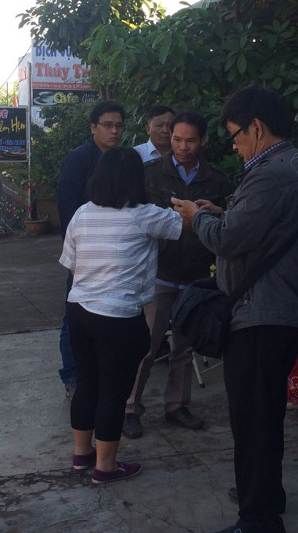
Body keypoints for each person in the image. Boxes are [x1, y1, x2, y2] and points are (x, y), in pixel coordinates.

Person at [171, 85, 298, 533]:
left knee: (253, 419)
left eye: (235, 135)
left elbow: (229, 239)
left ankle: (258, 520)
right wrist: (220, 210)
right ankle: (264, 494)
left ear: (256, 127)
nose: (233, 145)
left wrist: (198, 218)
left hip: (261, 313)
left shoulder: (272, 174)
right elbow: (254, 227)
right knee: (263, 414)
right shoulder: (292, 166)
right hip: (275, 309)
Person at [61, 147, 186, 484]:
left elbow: (72, 265)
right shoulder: (144, 215)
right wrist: (199, 209)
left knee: (87, 384)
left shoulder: (82, 214)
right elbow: (184, 224)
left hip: (79, 311)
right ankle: (106, 467)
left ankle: (81, 453)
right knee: (114, 392)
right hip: (118, 317)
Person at [123, 111, 233, 438]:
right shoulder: (149, 174)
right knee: (147, 344)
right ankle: (130, 407)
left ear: (203, 141)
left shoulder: (217, 180)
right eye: (177, 139)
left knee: (184, 348)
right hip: (158, 273)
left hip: (196, 275)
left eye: (190, 140)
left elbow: (225, 225)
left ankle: (177, 405)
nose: (183, 147)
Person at [56, 101, 127, 398]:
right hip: (85, 254)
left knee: (109, 316)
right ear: (93, 128)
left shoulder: (124, 160)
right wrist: (75, 257)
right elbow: (67, 209)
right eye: (108, 125)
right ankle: (73, 376)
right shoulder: (78, 160)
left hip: (118, 254)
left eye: (119, 126)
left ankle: (102, 376)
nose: (114, 131)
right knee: (75, 316)